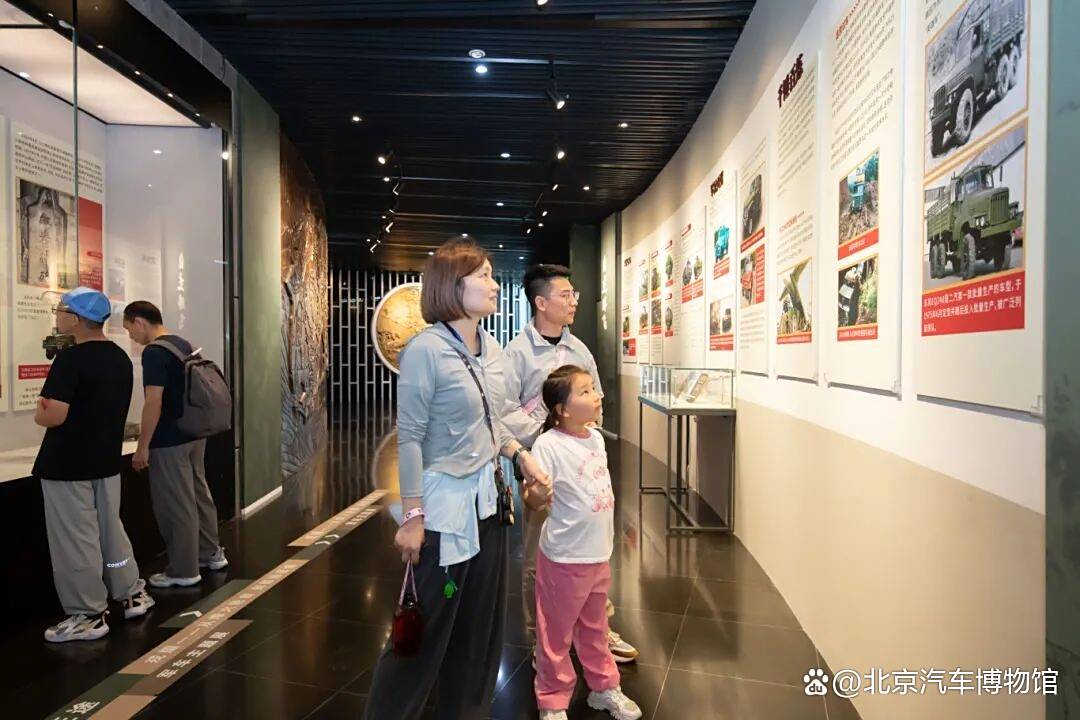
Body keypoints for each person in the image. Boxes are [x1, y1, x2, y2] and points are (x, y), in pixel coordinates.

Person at [363, 239, 551, 720]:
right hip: (444, 512)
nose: (494, 284)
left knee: (480, 630)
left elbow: (493, 421)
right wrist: (413, 515)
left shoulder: (492, 349)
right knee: (425, 630)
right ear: (452, 285)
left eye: (490, 274)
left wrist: (519, 454)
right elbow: (410, 437)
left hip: (491, 505)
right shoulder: (425, 350)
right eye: (483, 275)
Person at [503, 264, 639, 664]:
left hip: (582, 469)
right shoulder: (516, 353)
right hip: (541, 463)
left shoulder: (579, 350)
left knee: (592, 551)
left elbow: (596, 401)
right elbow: (504, 410)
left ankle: (598, 631)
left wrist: (585, 429)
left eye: (573, 294)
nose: (573, 301)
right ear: (541, 302)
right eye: (565, 295)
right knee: (538, 556)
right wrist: (549, 432)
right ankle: (541, 638)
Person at [34, 287, 155, 643]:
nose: (57, 316)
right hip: (104, 461)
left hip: (67, 465)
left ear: (74, 319)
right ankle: (130, 592)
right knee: (110, 531)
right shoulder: (118, 357)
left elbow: (52, 414)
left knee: (76, 540)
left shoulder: (70, 360)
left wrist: (42, 410)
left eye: (60, 310)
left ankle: (87, 613)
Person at [530, 365, 642, 720]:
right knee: (555, 634)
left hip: (598, 554)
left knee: (596, 627)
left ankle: (604, 687)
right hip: (564, 558)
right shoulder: (548, 445)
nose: (596, 396)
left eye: (593, 388)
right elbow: (533, 497)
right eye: (585, 391)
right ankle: (552, 700)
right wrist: (536, 494)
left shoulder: (595, 438)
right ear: (562, 409)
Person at [122, 301, 227, 588]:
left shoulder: (154, 352)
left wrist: (143, 446)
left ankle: (183, 570)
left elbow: (153, 402)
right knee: (199, 493)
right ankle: (210, 553)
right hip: (194, 432)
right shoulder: (183, 343)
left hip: (169, 439)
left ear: (140, 321)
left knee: (176, 504)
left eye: (129, 329)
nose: (131, 336)